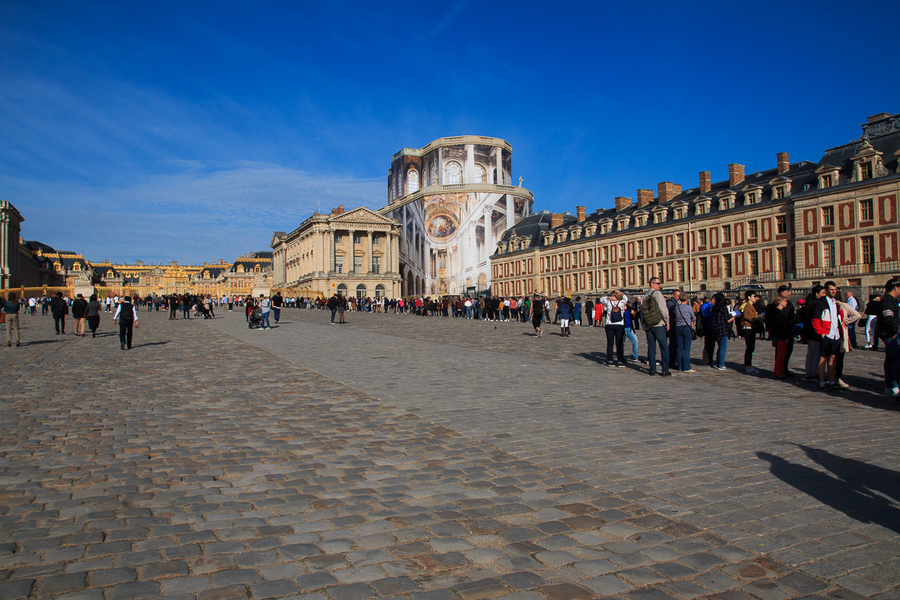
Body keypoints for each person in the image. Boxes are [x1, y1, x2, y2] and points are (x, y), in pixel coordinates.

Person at [811, 281, 843, 391]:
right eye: (831, 289)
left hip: (836, 334)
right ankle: (822, 381)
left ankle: (831, 380)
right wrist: (821, 332)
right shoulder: (821, 303)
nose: (834, 291)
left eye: (835, 289)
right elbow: (815, 319)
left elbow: (838, 317)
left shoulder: (836, 303)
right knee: (823, 358)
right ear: (826, 290)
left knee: (833, 358)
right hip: (827, 333)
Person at [641, 278, 671, 376]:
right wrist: (667, 321)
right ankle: (665, 370)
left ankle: (652, 369)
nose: (659, 285)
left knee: (651, 347)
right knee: (664, 347)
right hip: (658, 324)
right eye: (658, 283)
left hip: (649, 325)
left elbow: (642, 312)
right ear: (652, 284)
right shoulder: (657, 294)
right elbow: (663, 309)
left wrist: (643, 325)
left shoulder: (645, 296)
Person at [877, 278, 900, 398]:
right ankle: (894, 385)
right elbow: (888, 318)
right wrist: (895, 331)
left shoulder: (889, 299)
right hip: (889, 334)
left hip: (887, 334)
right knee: (897, 359)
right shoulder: (888, 301)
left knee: (891, 359)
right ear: (895, 287)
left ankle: (889, 385)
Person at [600, 290, 628, 367]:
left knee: (610, 343)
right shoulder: (622, 302)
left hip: (610, 324)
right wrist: (621, 293)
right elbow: (626, 298)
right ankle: (619, 361)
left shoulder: (608, 303)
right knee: (619, 344)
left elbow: (601, 299)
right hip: (619, 325)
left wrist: (608, 297)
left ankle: (610, 360)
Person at [766, 296, 792, 379]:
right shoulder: (778, 313)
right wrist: (785, 337)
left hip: (779, 336)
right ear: (780, 302)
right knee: (780, 356)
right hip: (780, 337)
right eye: (785, 301)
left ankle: (779, 371)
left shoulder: (778, 312)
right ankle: (778, 373)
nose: (786, 303)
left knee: (780, 355)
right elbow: (781, 327)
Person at [709, 293, 735, 370]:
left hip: (715, 329)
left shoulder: (714, 308)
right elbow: (727, 319)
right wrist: (734, 317)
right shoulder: (723, 308)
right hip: (723, 329)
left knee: (719, 348)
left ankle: (718, 363)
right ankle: (721, 364)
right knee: (722, 348)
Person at [737, 291, 760, 373]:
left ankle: (749, 365)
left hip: (751, 327)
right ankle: (748, 365)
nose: (756, 298)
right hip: (747, 327)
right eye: (754, 296)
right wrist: (758, 317)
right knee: (749, 346)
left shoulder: (752, 306)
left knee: (751, 347)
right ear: (749, 297)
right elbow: (748, 316)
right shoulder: (747, 305)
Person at [673, 295, 695, 372]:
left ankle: (679, 366)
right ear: (686, 299)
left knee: (680, 348)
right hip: (686, 327)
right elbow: (693, 317)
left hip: (678, 327)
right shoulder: (688, 307)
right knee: (686, 348)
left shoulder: (677, 307)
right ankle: (686, 366)